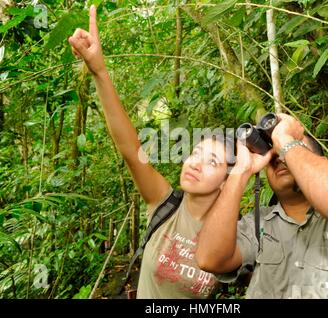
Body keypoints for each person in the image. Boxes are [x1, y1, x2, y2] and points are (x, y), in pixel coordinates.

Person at [68, 5, 235, 298]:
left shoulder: (236, 234)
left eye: (211, 161)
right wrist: (100, 71)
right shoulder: (164, 205)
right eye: (195, 153)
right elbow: (131, 150)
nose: (195, 163)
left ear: (227, 180)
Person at [196, 113, 328, 298]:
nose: (280, 158)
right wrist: (241, 170)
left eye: (293, 150)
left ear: (318, 160)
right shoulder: (259, 225)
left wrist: (285, 141)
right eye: (274, 156)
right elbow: (210, 259)